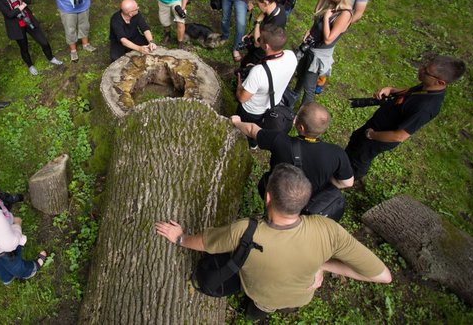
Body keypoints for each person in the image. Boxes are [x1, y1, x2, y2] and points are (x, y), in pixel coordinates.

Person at [155, 163, 392, 321]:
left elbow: (205, 244)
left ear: (268, 198)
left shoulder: (245, 230)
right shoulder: (328, 229)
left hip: (260, 292)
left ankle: (255, 309)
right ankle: (255, 315)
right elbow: (383, 276)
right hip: (299, 297)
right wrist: (322, 264)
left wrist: (180, 237)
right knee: (265, 308)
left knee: (257, 298)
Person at [345, 55, 466, 179]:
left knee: (359, 159)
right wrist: (391, 90)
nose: (421, 70)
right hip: (374, 127)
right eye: (425, 66)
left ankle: (344, 180)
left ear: (440, 82)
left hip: (378, 137)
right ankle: (338, 164)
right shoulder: (427, 87)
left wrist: (371, 135)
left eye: (426, 72)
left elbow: (399, 136)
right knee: (355, 142)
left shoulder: (426, 108)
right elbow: (410, 93)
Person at [231, 102, 354, 200]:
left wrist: (237, 122)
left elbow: (252, 129)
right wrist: (328, 177)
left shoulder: (279, 140)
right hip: (304, 203)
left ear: (300, 127)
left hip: (276, 196)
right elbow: (348, 183)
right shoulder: (337, 153)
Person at [292, 0, 354, 106]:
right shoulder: (335, 4)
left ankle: (303, 114)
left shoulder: (345, 14)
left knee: (309, 87)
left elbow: (328, 39)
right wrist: (311, 30)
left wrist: (326, 19)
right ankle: (292, 99)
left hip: (318, 54)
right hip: (309, 46)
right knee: (301, 75)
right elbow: (318, 22)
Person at [313, 0, 371, 93]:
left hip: (339, 22)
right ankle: (307, 69)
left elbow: (359, 12)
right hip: (327, 16)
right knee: (314, 41)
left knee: (326, 49)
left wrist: (343, 25)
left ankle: (320, 78)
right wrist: (317, 10)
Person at [235, 25, 297, 148]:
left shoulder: (259, 72)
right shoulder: (291, 56)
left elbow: (242, 98)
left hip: (252, 109)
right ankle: (253, 145)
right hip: (272, 104)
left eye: (260, 40)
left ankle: (243, 142)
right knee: (259, 128)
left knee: (246, 128)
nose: (258, 41)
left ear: (266, 46)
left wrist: (239, 83)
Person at [238, 0, 287, 68]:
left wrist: (258, 22)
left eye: (258, 4)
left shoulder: (273, 24)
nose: (257, 6)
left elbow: (257, 43)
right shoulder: (279, 8)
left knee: (246, 65)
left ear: (265, 3)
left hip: (261, 52)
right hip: (265, 43)